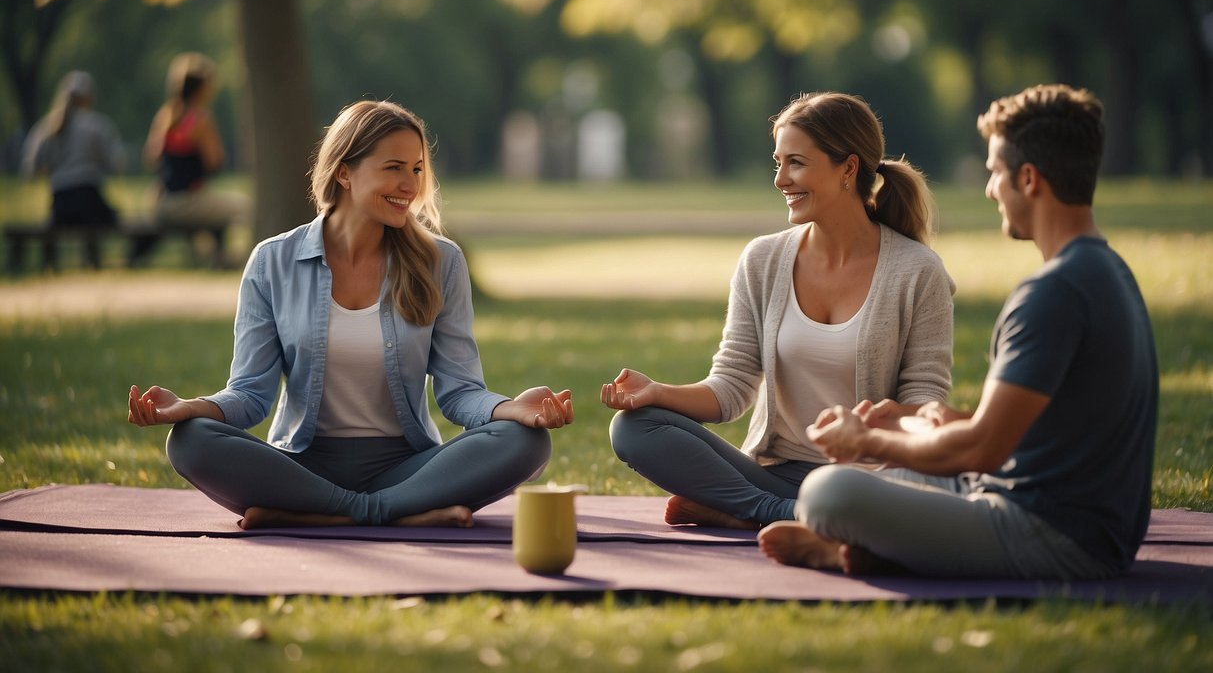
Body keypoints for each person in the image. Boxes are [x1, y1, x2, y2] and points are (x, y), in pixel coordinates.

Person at [758, 84, 1158, 580]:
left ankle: (850, 545)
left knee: (827, 491)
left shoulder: (1054, 293)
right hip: (1066, 514)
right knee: (894, 472)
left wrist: (865, 443)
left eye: (994, 173)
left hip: (1056, 536)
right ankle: (867, 550)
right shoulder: (1107, 270)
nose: (990, 189)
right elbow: (1029, 432)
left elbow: (981, 450)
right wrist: (928, 423)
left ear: (1029, 179)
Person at [127, 99, 574, 529]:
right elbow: (250, 395)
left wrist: (508, 409)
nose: (410, 185)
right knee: (189, 440)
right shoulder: (272, 262)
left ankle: (329, 514)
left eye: (416, 169)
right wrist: (191, 407)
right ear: (344, 172)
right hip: (302, 466)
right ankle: (397, 513)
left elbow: (460, 394)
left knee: (525, 441)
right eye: (394, 168)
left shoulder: (442, 262)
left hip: (408, 466)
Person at [601, 92, 955, 529]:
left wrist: (873, 427)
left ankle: (741, 510)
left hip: (870, 482)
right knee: (634, 427)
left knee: (936, 492)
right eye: (778, 162)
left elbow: (926, 403)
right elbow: (731, 389)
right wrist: (656, 392)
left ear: (848, 168)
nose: (780, 180)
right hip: (775, 478)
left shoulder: (919, 272)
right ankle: (779, 514)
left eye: (796, 163)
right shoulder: (763, 260)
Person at [141, 52, 247, 264]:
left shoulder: (165, 116)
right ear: (202, 89)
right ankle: (225, 258)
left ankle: (213, 256)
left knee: (213, 204)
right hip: (188, 202)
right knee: (245, 206)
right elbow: (215, 162)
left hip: (163, 203)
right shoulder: (201, 119)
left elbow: (151, 160)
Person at [20, 70, 128, 269]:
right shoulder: (96, 125)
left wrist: (51, 169)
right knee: (105, 216)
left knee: (55, 223)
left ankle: (50, 264)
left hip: (60, 200)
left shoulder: (46, 128)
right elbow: (117, 163)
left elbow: (30, 167)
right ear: (88, 98)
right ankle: (93, 262)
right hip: (89, 196)